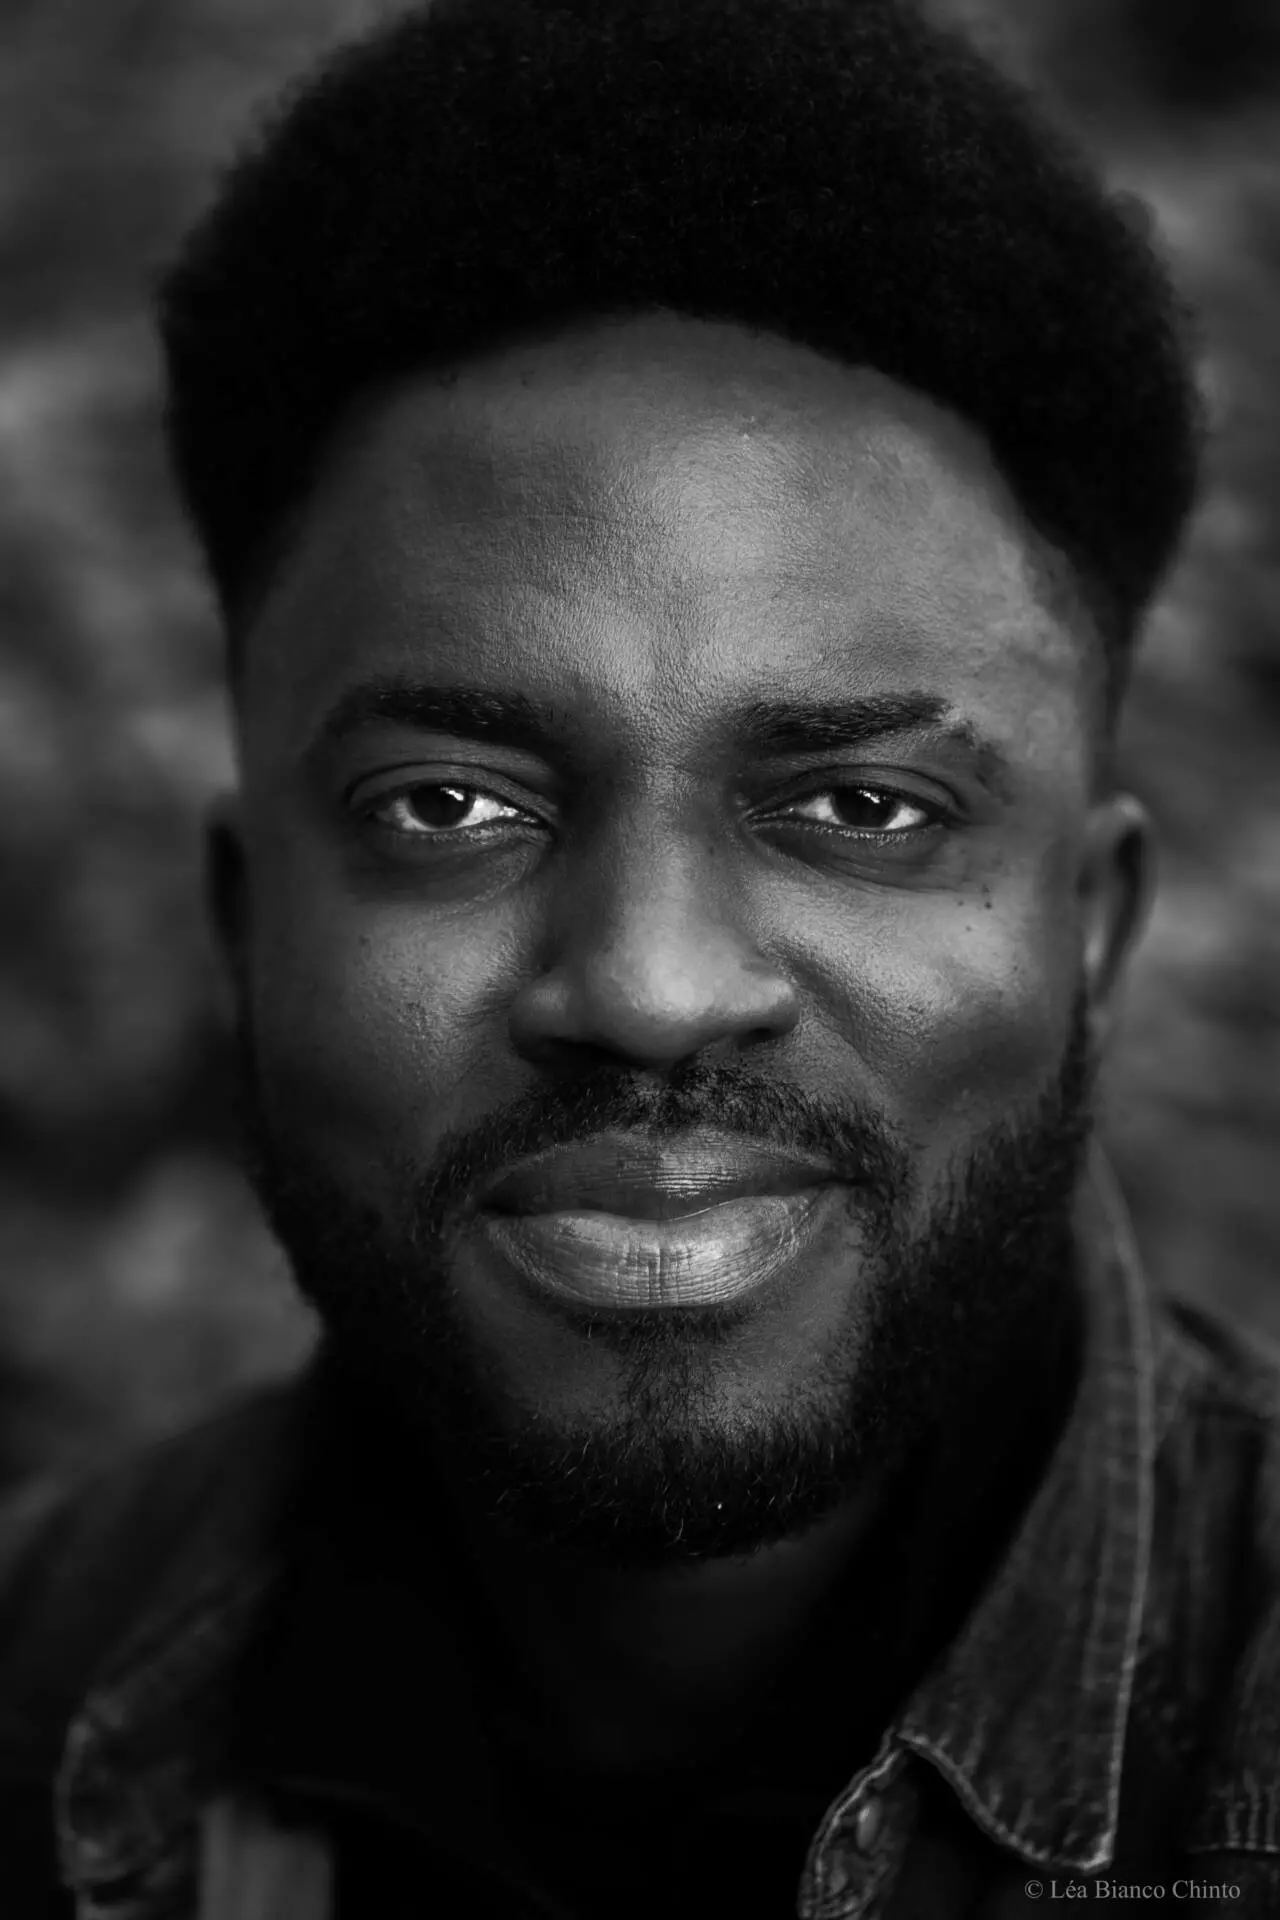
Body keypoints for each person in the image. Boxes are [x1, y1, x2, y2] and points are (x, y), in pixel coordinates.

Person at [1, 0, 1277, 1913]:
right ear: (245, 921)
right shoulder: (32, 1684)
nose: (653, 988)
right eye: (450, 806)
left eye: (862, 807)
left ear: (1089, 929)